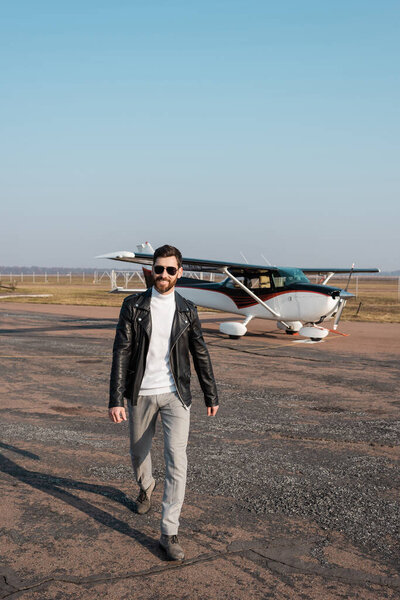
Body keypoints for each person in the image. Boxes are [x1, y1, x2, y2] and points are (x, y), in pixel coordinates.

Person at [108, 244, 219, 560]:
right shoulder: (134, 306)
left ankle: (169, 532)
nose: (164, 274)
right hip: (141, 392)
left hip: (176, 395)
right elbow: (121, 353)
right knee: (139, 451)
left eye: (171, 269)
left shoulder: (187, 309)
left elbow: (200, 353)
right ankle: (145, 486)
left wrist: (211, 394)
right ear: (152, 271)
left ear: (180, 272)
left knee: (177, 460)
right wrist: (116, 398)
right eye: (159, 269)